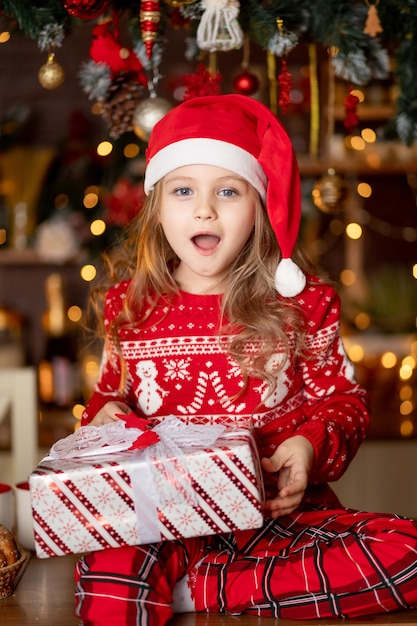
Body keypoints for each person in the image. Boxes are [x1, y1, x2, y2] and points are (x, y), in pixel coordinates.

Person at [74, 94, 417, 625]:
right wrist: (103, 420)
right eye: (183, 190)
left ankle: (206, 589)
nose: (204, 209)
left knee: (408, 551)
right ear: (157, 207)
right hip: (164, 526)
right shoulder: (130, 310)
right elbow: (105, 403)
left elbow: (344, 404)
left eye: (228, 191)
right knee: (107, 570)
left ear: (258, 206)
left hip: (279, 525)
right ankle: (206, 585)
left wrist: (308, 444)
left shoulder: (303, 306)